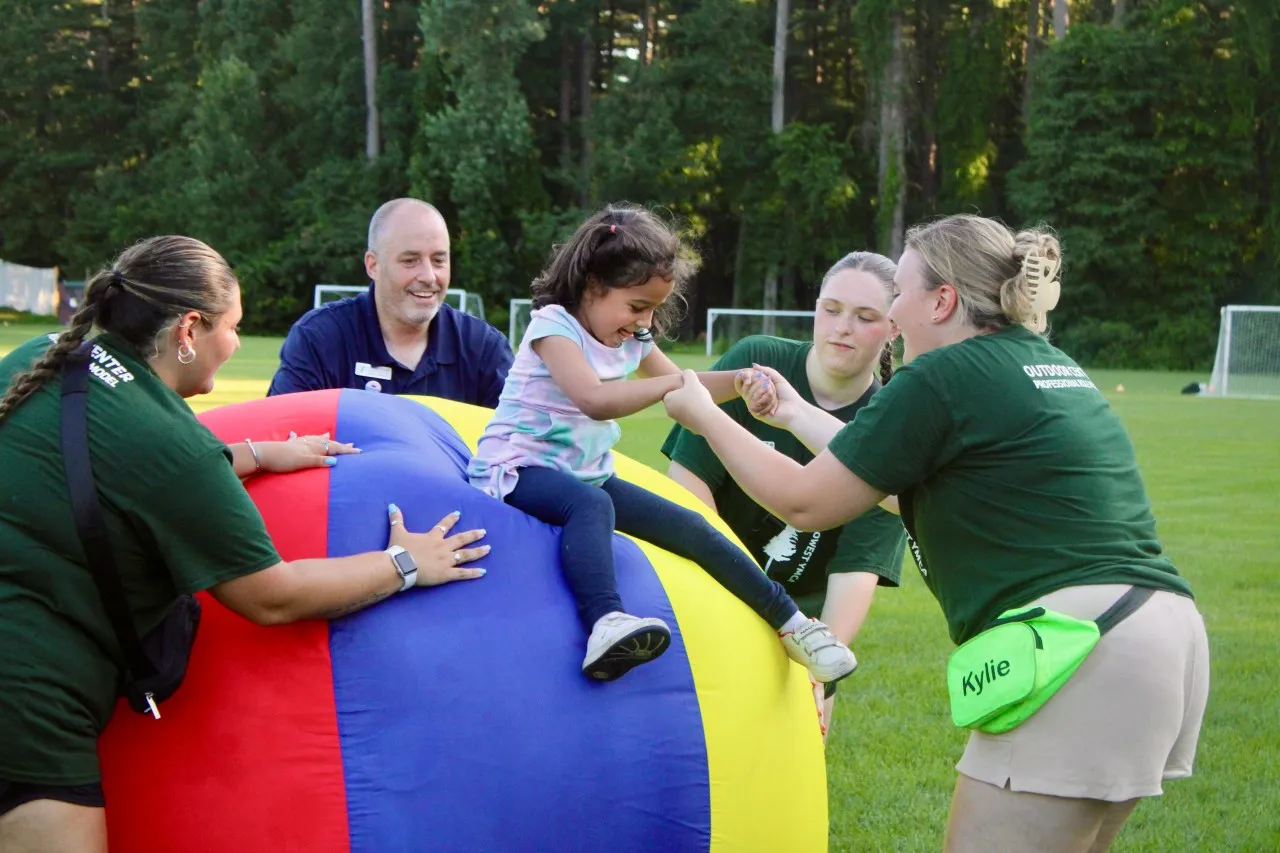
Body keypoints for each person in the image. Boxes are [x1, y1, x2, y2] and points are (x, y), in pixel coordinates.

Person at [662, 214, 1209, 852]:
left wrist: (707, 416)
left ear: (942, 300)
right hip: (1159, 636)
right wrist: (792, 413)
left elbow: (806, 502)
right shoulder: (1041, 364)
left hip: (1076, 647)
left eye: (899, 294)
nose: (893, 313)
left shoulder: (941, 375)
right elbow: (892, 480)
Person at [0, 236, 490, 853]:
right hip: (27, 703)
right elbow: (274, 595)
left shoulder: (39, 357)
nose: (235, 344)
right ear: (190, 328)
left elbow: (114, 462)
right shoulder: (171, 448)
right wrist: (405, 563)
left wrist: (255, 454)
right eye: (233, 328)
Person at [466, 204, 857, 684]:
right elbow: (594, 399)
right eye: (636, 306)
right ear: (592, 284)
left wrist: (738, 381)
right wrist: (672, 389)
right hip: (516, 470)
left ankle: (793, 623)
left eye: (652, 308)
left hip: (585, 472)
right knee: (590, 507)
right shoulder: (554, 326)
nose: (644, 320)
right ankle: (605, 622)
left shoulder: (634, 336)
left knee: (692, 526)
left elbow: (682, 381)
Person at [662, 251, 907, 736]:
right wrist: (733, 603)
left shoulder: (892, 426)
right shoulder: (758, 364)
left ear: (893, 328)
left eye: (865, 317)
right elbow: (686, 489)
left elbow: (855, 571)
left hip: (800, 628)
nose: (842, 327)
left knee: (784, 769)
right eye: (831, 309)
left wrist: (823, 665)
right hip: (707, 586)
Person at [267, 199, 513, 406]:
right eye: (410, 261)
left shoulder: (482, 348)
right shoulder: (320, 338)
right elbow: (280, 434)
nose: (429, 276)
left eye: (439, 260)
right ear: (373, 265)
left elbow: (521, 446)